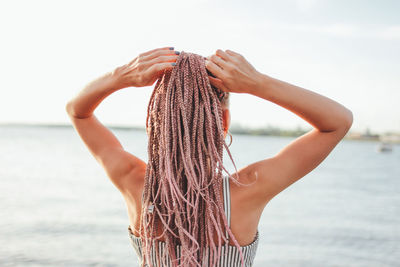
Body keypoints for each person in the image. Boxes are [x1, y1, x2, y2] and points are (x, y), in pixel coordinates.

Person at [66, 47, 353, 267]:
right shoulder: (248, 190)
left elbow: (77, 112)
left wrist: (121, 75)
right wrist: (258, 83)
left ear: (153, 123)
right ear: (223, 122)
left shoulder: (133, 182)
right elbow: (337, 123)